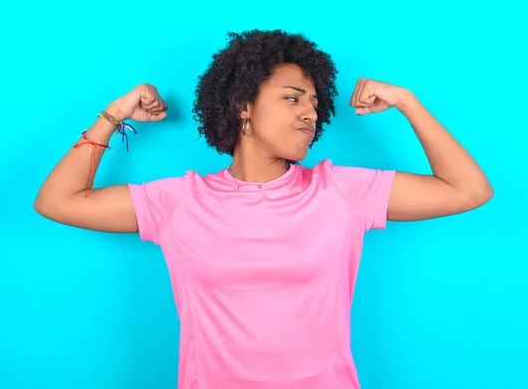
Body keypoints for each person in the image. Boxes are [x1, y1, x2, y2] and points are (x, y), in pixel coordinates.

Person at [34, 29, 493, 388]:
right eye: (293, 98)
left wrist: (408, 102)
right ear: (243, 106)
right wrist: (115, 114)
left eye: (314, 103)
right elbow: (58, 201)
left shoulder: (342, 192)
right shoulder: (179, 202)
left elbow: (467, 190)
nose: (310, 114)